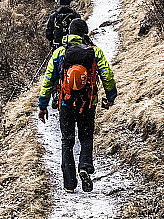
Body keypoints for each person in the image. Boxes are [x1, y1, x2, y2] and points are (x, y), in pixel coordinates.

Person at [37, 18, 117, 193]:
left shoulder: (59, 53)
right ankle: (85, 166)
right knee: (86, 138)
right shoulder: (95, 52)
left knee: (67, 141)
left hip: (65, 103)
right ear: (85, 33)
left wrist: (43, 105)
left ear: (69, 33)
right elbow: (107, 75)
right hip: (88, 103)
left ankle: (69, 184)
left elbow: (48, 81)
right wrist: (110, 96)